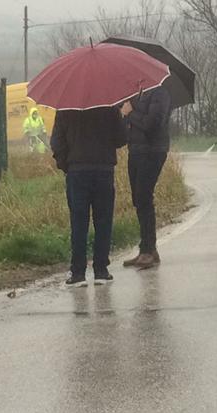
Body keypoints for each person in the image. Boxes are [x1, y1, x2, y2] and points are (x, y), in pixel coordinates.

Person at [50, 105, 127, 287]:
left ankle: (78, 273)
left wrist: (66, 165)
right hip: (104, 169)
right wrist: (122, 117)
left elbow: (57, 142)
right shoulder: (109, 106)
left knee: (78, 222)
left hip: (77, 171)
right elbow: (121, 139)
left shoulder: (65, 108)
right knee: (104, 220)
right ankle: (101, 270)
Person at [120, 84, 171, 269]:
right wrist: (125, 116)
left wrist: (130, 113)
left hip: (153, 150)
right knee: (138, 199)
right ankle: (147, 248)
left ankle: (148, 250)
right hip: (135, 150)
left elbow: (151, 124)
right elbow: (130, 124)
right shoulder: (136, 94)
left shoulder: (160, 93)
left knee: (144, 196)